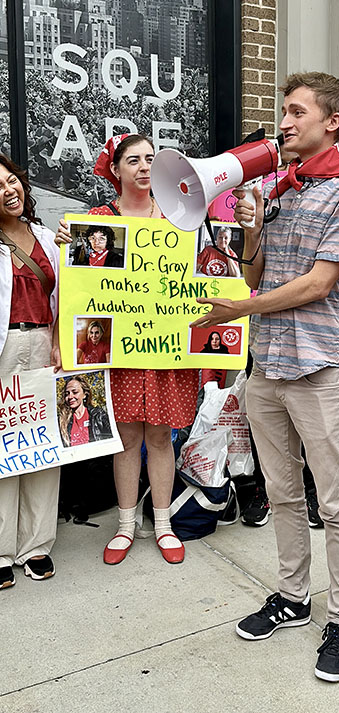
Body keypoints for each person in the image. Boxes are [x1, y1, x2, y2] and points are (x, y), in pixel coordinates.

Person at [191, 72, 339, 682]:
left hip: (318, 365)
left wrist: (239, 310)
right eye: (284, 111)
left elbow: (320, 284)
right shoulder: (280, 186)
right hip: (268, 363)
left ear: (332, 122)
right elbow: (255, 274)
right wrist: (252, 229)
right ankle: (293, 597)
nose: (285, 122)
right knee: (282, 491)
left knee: (335, 501)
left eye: (297, 111)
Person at [56, 134, 198, 564]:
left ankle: (164, 524)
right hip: (117, 350)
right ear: (114, 169)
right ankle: (125, 525)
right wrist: (66, 245)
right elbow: (78, 290)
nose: (143, 167)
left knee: (160, 436)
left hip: (164, 346)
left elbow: (195, 279)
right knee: (126, 438)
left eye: (150, 159)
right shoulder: (98, 222)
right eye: (133, 160)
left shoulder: (178, 217)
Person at [0, 154, 60, 589]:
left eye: (11, 180)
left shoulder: (46, 236)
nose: (8, 190)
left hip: (43, 342)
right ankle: (1, 549)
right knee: (3, 446)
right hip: (3, 347)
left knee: (41, 443)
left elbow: (68, 295)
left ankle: (37, 545)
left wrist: (59, 341)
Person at [58, 375, 113, 447]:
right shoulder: (62, 421)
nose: (70, 397)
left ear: (85, 394)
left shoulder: (98, 415)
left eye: (75, 392)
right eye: (67, 394)